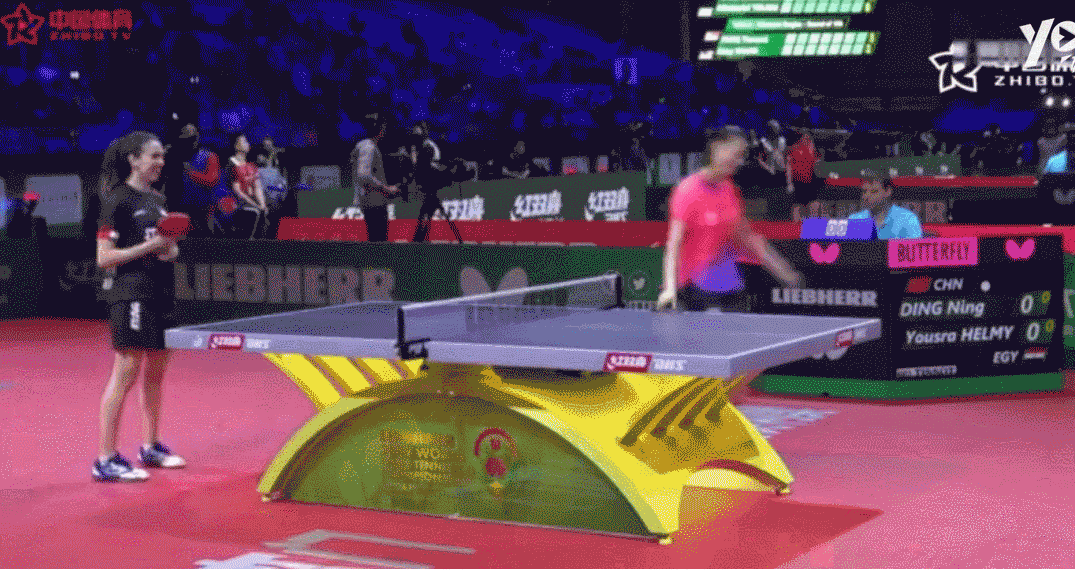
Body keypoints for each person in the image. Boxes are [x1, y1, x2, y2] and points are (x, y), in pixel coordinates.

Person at [93, 131, 187, 482]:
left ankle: (151, 446)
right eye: (154, 156)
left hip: (161, 293)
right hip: (130, 294)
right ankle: (105, 458)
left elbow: (169, 249)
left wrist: (169, 248)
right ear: (133, 159)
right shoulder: (116, 201)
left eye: (162, 156)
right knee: (126, 373)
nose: (160, 162)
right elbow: (104, 258)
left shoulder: (159, 200)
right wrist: (151, 247)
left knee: (157, 374)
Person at [657, 126, 802, 314]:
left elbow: (747, 238)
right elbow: (673, 244)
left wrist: (783, 271)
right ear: (716, 148)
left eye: (741, 156)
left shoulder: (728, 190)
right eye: (735, 154)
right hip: (695, 291)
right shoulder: (688, 190)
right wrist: (669, 288)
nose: (738, 161)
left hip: (730, 289)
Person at [351, 113, 401, 242]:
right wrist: (387, 189)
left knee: (375, 241)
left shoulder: (363, 145)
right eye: (383, 126)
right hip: (374, 204)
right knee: (378, 242)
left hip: (371, 202)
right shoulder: (368, 147)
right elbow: (364, 176)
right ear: (380, 128)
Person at [848, 171, 923, 239]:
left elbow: (914, 248)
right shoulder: (854, 220)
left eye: (874, 191)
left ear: (888, 192)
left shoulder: (908, 219)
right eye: (864, 191)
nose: (867, 196)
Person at [224, 132, 270, 239]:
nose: (248, 144)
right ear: (236, 145)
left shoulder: (252, 166)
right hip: (237, 205)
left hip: (252, 204)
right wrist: (256, 205)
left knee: (265, 214)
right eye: (244, 141)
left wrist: (262, 204)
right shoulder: (231, 164)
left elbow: (257, 186)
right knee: (253, 214)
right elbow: (237, 191)